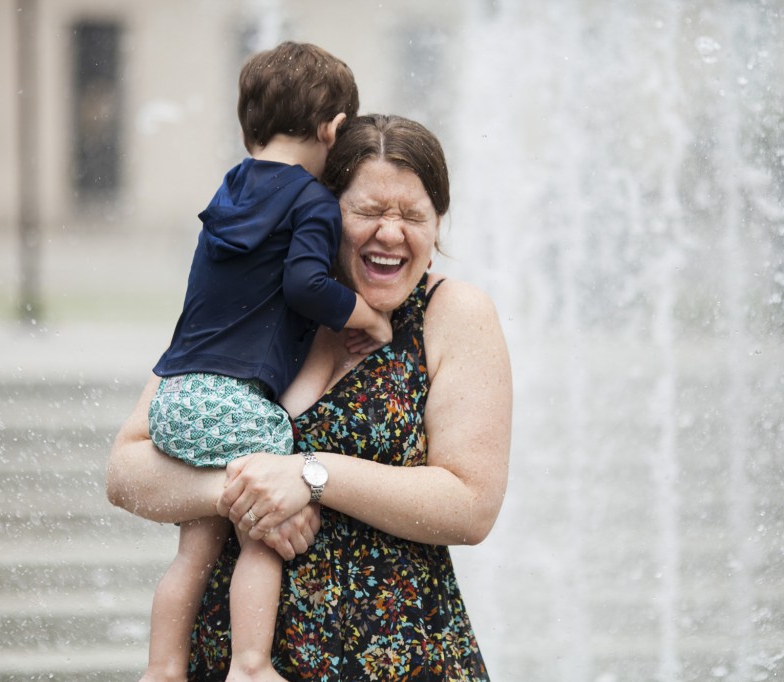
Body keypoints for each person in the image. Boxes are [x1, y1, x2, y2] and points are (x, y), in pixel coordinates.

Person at [108, 114, 512, 681]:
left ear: (437, 223)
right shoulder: (249, 298)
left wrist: (310, 475)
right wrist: (242, 494)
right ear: (323, 211)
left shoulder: (455, 313)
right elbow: (125, 473)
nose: (391, 234)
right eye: (368, 212)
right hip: (236, 665)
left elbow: (470, 506)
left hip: (396, 659)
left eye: (413, 216)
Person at [136, 43, 392, 682]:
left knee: (194, 549)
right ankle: (250, 665)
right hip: (234, 397)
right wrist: (366, 316)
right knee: (262, 530)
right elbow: (308, 285)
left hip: (176, 391)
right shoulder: (309, 200)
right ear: (333, 129)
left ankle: (162, 669)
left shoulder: (231, 188)